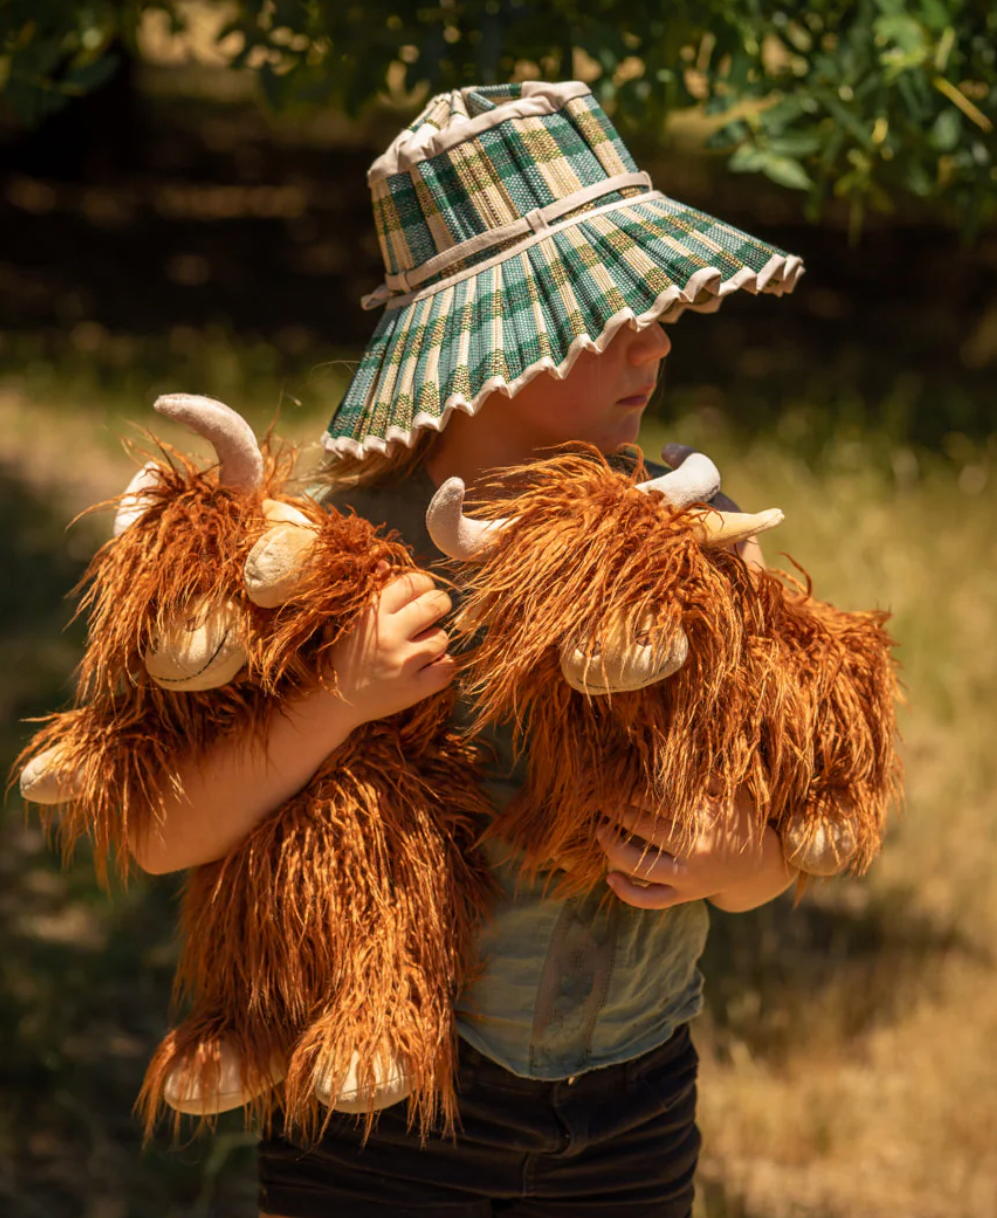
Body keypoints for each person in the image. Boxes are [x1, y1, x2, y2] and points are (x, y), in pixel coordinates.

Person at [132, 80, 805, 1217]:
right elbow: (161, 833)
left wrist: (736, 860)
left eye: (657, 304)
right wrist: (337, 698)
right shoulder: (311, 558)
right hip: (377, 1116)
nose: (656, 340)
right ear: (502, 339)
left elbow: (777, 830)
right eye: (613, 311)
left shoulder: (683, 529)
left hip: (631, 1109)